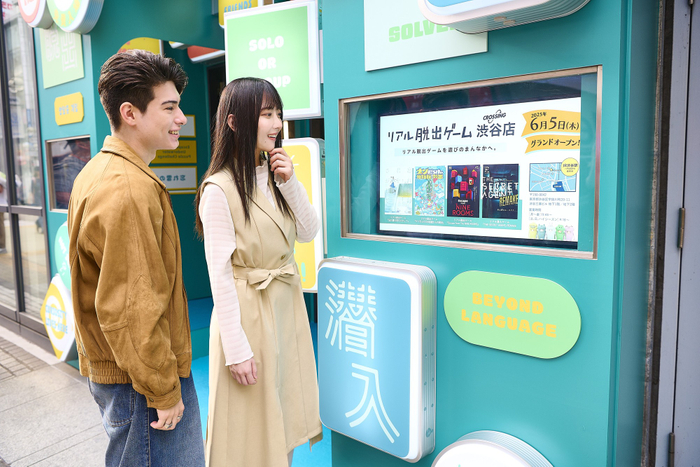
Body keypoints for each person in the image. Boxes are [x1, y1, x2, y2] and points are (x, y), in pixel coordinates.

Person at [67, 50, 205, 467]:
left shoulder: (98, 171)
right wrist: (163, 389)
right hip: (143, 382)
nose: (181, 118)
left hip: (127, 374)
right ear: (130, 113)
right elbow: (131, 309)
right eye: (170, 107)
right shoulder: (128, 188)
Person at [194, 77, 322, 467]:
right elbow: (219, 274)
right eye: (266, 114)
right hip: (247, 315)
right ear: (234, 122)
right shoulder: (219, 189)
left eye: (278, 113)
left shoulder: (276, 173)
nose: (276, 124)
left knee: (286, 414)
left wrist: (291, 183)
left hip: (284, 307)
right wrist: (236, 350)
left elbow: (308, 232)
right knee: (249, 431)